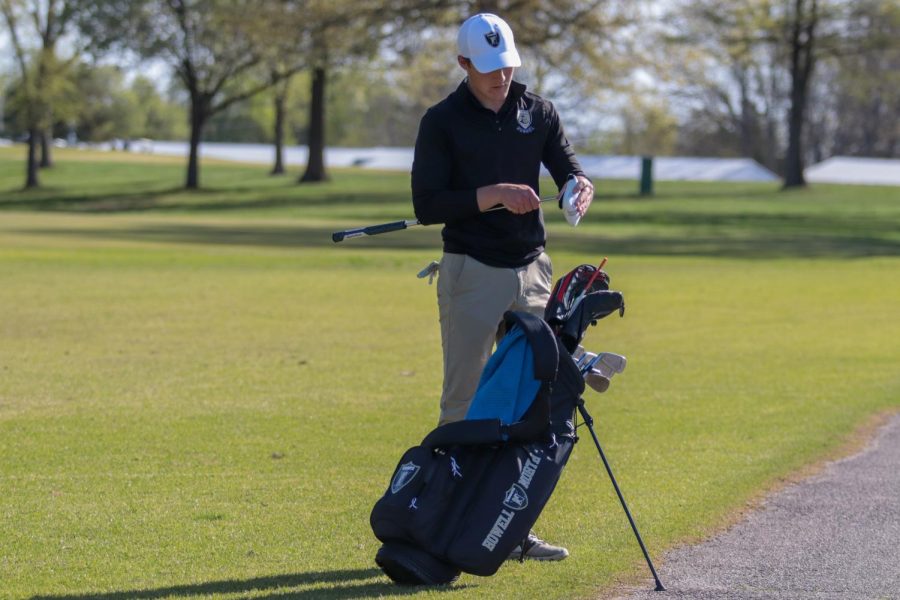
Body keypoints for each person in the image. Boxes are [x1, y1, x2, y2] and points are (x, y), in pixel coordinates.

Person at [411, 13, 594, 562]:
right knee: (465, 402)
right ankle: (443, 524)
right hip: (471, 269)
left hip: (532, 270)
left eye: (508, 66)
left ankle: (508, 527)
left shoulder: (537, 111)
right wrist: (491, 193)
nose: (501, 77)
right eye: (489, 68)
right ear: (463, 63)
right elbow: (427, 204)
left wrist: (578, 187)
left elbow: (568, 168)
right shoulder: (442, 121)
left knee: (525, 402)